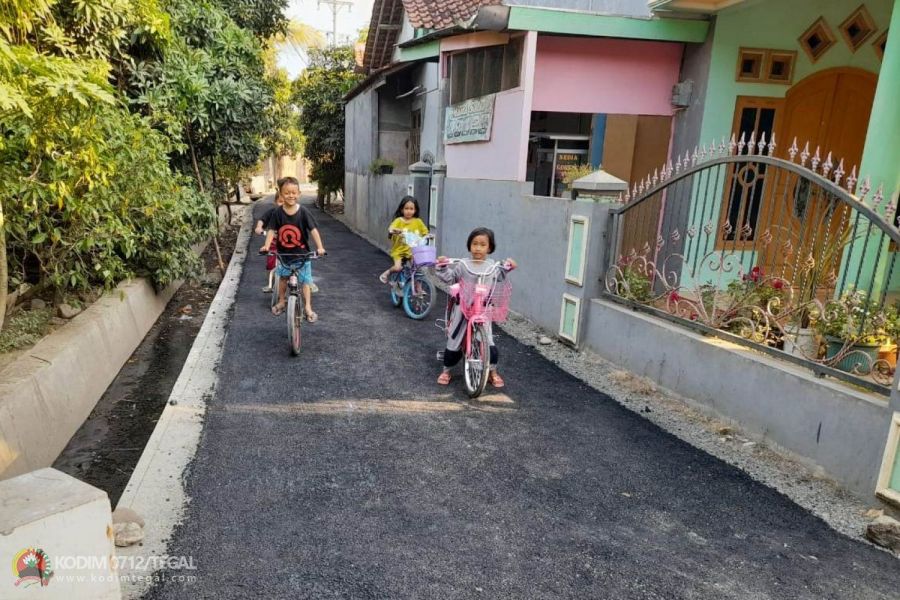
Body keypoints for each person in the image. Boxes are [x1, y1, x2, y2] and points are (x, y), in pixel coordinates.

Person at [433, 227, 516, 388]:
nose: (478, 248)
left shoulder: (492, 266)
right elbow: (450, 277)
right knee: (454, 339)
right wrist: (442, 266)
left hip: (483, 310)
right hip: (463, 308)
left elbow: (500, 276)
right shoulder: (463, 265)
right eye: (474, 244)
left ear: (489, 248)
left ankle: (492, 371)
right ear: (469, 246)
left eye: (483, 244)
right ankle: (447, 370)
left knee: (488, 341)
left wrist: (509, 266)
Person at [260, 177, 326, 321]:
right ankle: (282, 301)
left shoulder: (303, 212)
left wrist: (320, 247)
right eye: (287, 193)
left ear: (299, 194)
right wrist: (266, 245)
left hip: (302, 255)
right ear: (281, 195)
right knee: (283, 279)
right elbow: (271, 230)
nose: (291, 195)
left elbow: (313, 230)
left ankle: (308, 307)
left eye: (294, 193)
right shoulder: (277, 213)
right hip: (283, 255)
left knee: (305, 282)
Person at [379, 196, 429, 285]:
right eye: (406, 208)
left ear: (415, 210)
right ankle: (387, 273)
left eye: (411, 209)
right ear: (402, 210)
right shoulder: (399, 221)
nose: (409, 211)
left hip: (412, 251)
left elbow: (425, 232)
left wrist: (428, 236)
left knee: (416, 268)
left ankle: (418, 288)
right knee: (398, 267)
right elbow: (391, 228)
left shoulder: (418, 221)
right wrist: (393, 230)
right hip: (399, 250)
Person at [256, 181, 285, 293]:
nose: (282, 204)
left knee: (295, 262)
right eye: (280, 202)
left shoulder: (291, 213)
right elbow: (262, 219)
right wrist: (259, 227)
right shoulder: (272, 212)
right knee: (270, 263)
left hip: (287, 243)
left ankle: (307, 281)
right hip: (273, 243)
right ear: (275, 202)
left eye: (284, 202)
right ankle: (270, 283)